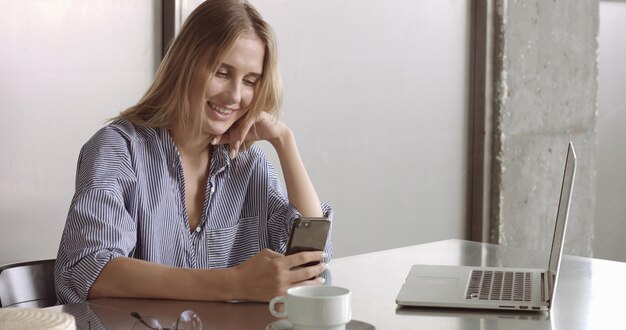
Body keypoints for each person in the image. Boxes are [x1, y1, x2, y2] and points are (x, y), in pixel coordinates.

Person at [54, 0, 332, 304]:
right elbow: (93, 270)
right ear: (185, 64)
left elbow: (311, 263)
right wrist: (234, 284)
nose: (235, 96)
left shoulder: (249, 164)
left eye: (250, 81)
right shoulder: (117, 149)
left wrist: (284, 140)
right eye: (222, 73)